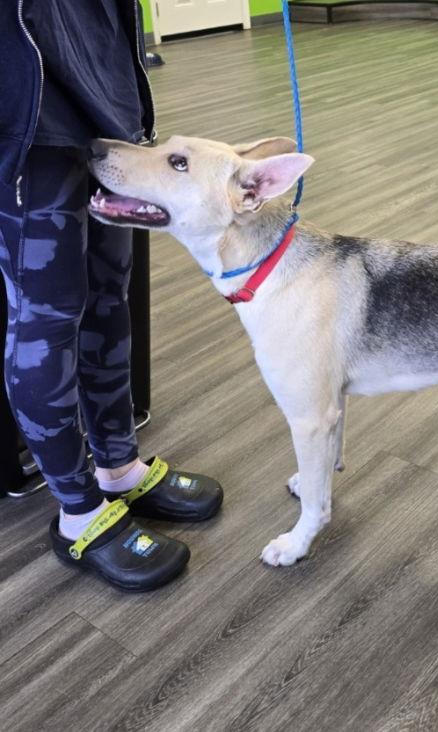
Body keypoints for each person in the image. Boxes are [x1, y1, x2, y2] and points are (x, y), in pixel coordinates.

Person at [0, 2, 223, 591]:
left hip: (103, 88)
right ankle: (79, 511)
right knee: (46, 315)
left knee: (108, 299)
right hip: (23, 104)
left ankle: (118, 466)